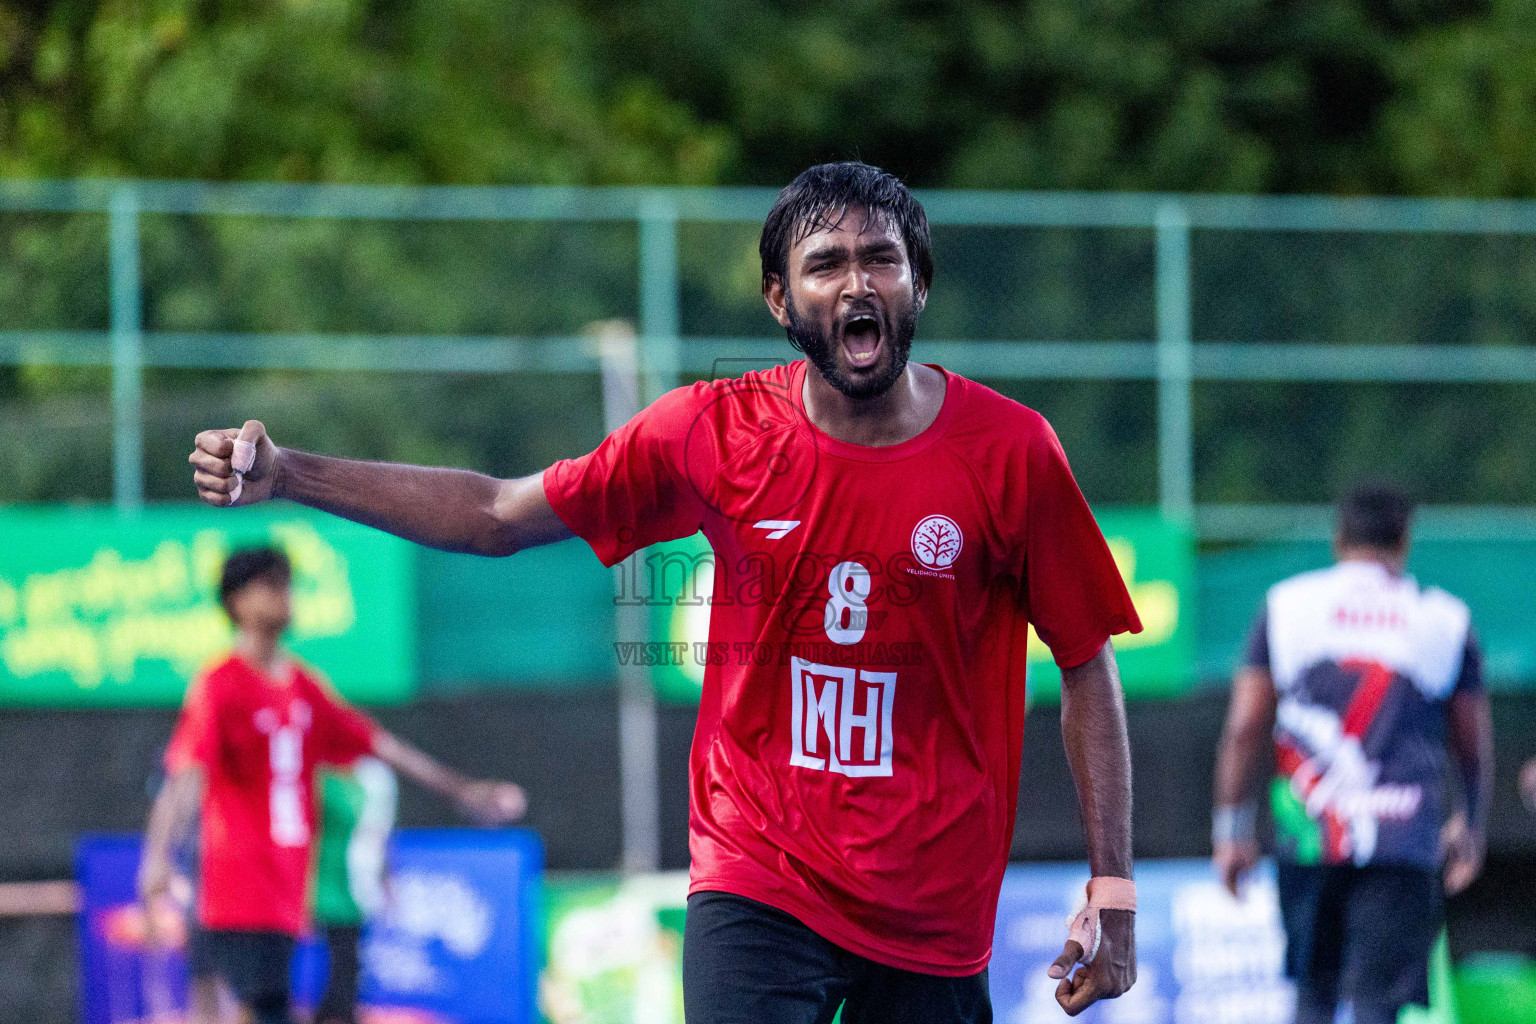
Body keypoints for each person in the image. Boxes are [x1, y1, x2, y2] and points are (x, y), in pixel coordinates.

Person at [185, 161, 1143, 1023]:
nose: (857, 282)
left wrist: (1114, 888)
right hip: (758, 877)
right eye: (826, 263)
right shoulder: (711, 432)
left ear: (919, 284)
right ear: (780, 299)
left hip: (935, 911)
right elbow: (496, 514)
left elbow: (1086, 659)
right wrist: (291, 476)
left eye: (882, 259)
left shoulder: (1012, 452)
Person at [137, 547, 527, 1024]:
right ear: (236, 602)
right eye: (269, 583)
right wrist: (156, 860)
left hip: (286, 890)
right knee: (260, 1007)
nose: (284, 594)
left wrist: (463, 789)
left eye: (286, 582)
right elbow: (186, 772)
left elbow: (378, 743)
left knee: (270, 1005)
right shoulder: (220, 683)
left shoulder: (303, 685)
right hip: (235, 891)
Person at [1212, 483, 1493, 1024]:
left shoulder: (1285, 605)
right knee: (1378, 1004)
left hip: (1310, 834)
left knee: (1313, 997)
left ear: (1338, 537)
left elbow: (1245, 725)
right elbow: (1472, 738)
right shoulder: (1446, 619)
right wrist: (1471, 822)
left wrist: (1231, 829)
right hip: (1402, 840)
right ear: (1406, 540)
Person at [312, 755, 397, 1024]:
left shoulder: (371, 779)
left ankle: (339, 1012)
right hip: (328, 876)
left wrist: (384, 880)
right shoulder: (324, 778)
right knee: (339, 953)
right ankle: (333, 1013)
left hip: (356, 883)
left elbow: (378, 836)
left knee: (349, 953)